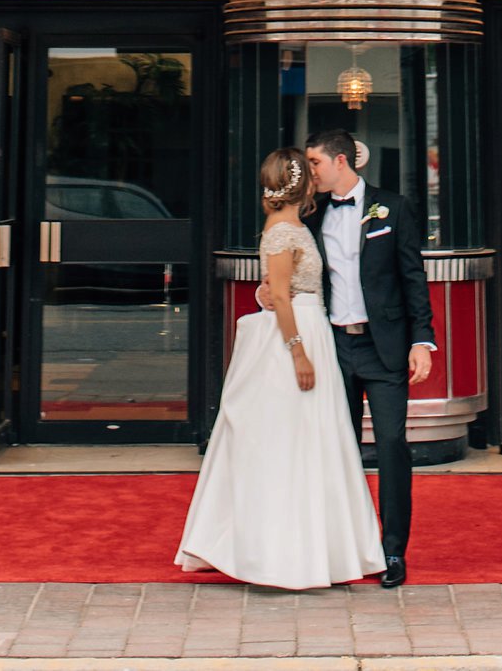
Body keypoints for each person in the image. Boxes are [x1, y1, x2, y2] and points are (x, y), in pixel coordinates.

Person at [176, 146, 385, 592]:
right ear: (301, 185)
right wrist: (297, 351)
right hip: (299, 334)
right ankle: (286, 551)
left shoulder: (293, 226)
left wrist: (265, 295)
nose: (315, 176)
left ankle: (319, 548)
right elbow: (285, 296)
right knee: (294, 441)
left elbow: (277, 288)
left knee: (315, 440)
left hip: (312, 327)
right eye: (308, 171)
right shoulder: (281, 232)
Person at [303, 123, 435, 589]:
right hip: (334, 347)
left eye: (315, 162)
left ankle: (393, 550)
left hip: (384, 349)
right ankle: (337, 546)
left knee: (393, 446)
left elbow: (412, 277)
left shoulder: (393, 207)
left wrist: (423, 340)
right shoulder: (311, 213)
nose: (309, 171)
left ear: (341, 161)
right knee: (335, 447)